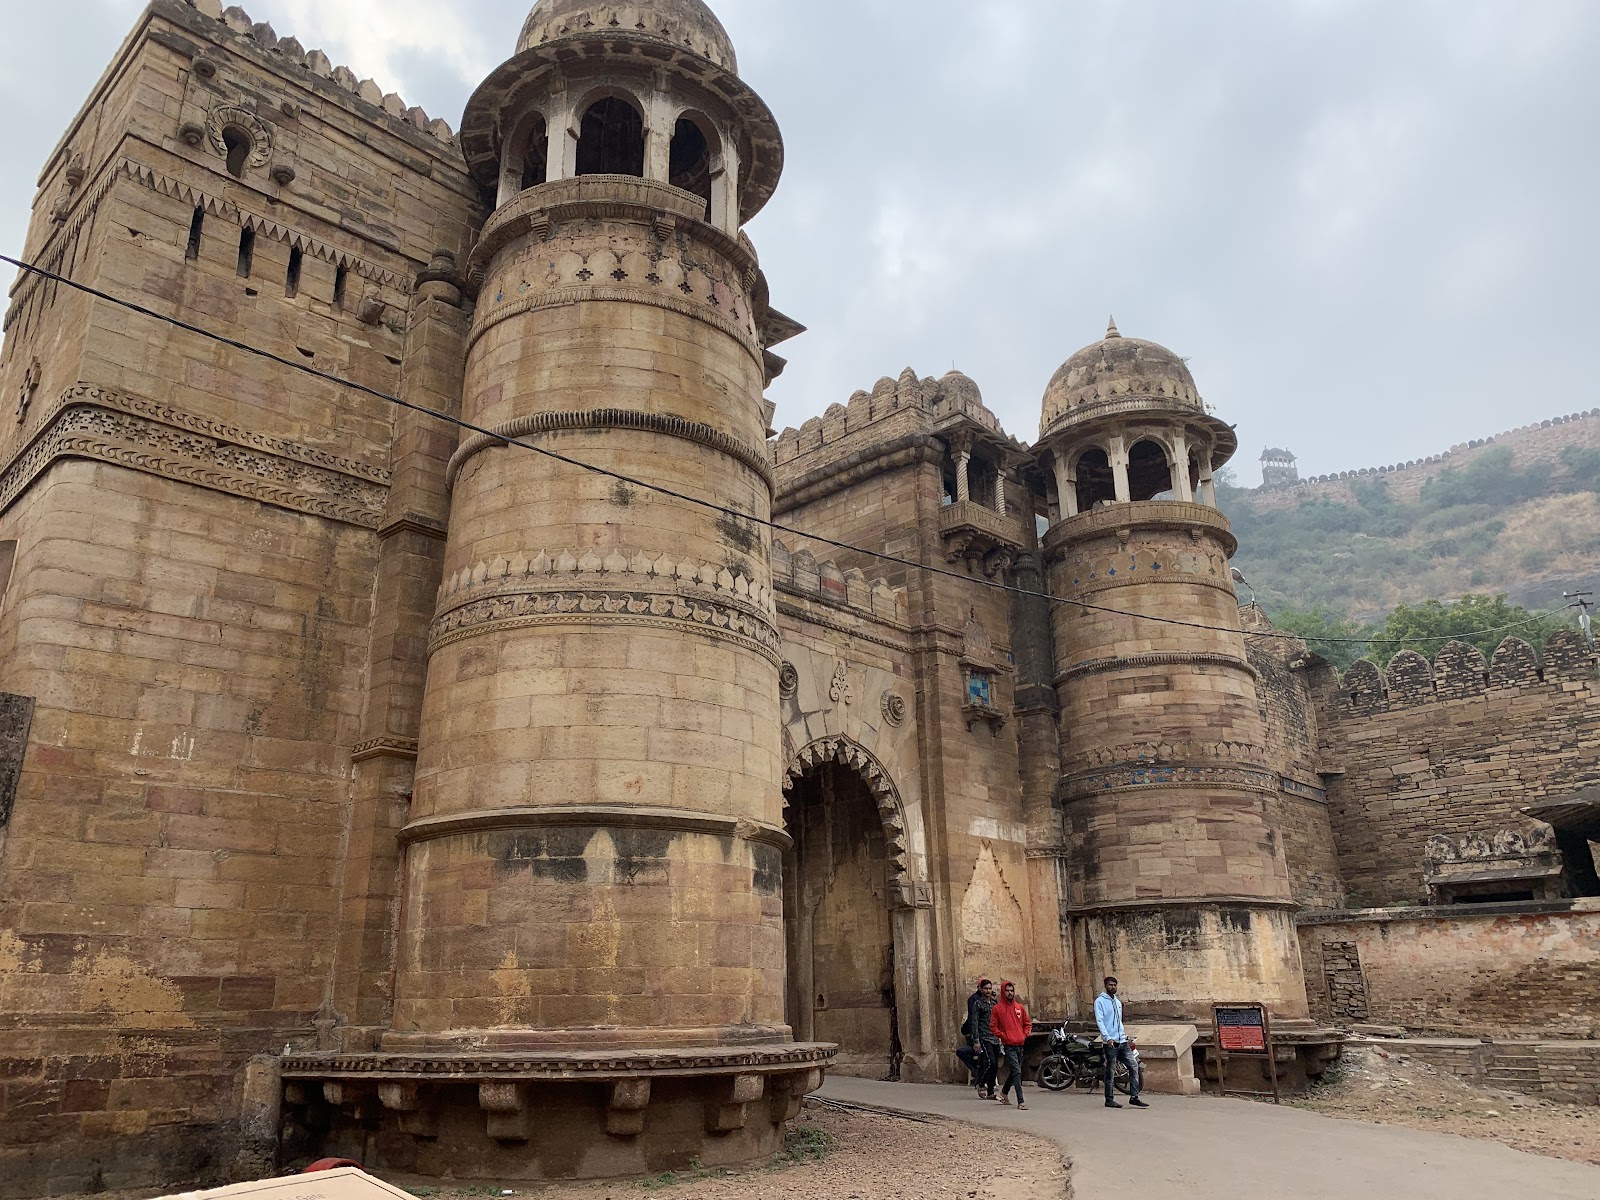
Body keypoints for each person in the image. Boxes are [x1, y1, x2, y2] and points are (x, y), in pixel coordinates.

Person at [1095, 976, 1148, 1109]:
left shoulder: (1117, 1002)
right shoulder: (1100, 1001)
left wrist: (1123, 1036)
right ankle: (1109, 1099)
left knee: (1134, 1066)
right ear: (1105, 986)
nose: (1113, 987)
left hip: (1122, 1041)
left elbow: (1119, 1022)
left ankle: (1134, 1096)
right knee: (1111, 1071)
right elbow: (1100, 1021)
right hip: (1111, 1043)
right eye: (1110, 985)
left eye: (1114, 985)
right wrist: (1107, 1038)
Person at [989, 979, 1032, 1109]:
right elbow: (993, 1026)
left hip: (1020, 1043)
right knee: (1017, 1072)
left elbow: (1027, 1023)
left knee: (1015, 1071)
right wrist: (1003, 1035)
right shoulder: (997, 1009)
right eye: (1007, 991)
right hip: (1009, 1044)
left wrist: (1024, 1034)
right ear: (1003, 992)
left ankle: (1004, 1092)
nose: (1009, 993)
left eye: (1011, 990)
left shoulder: (1019, 1008)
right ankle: (1021, 1101)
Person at [971, 978, 1000, 1098]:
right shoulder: (978, 1004)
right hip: (984, 1036)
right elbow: (975, 1022)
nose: (988, 991)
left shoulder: (994, 1004)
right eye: (986, 988)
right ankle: (981, 1084)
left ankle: (991, 1089)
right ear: (981, 989)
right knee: (990, 1062)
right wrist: (976, 1040)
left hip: (995, 1037)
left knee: (995, 1064)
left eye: (989, 988)